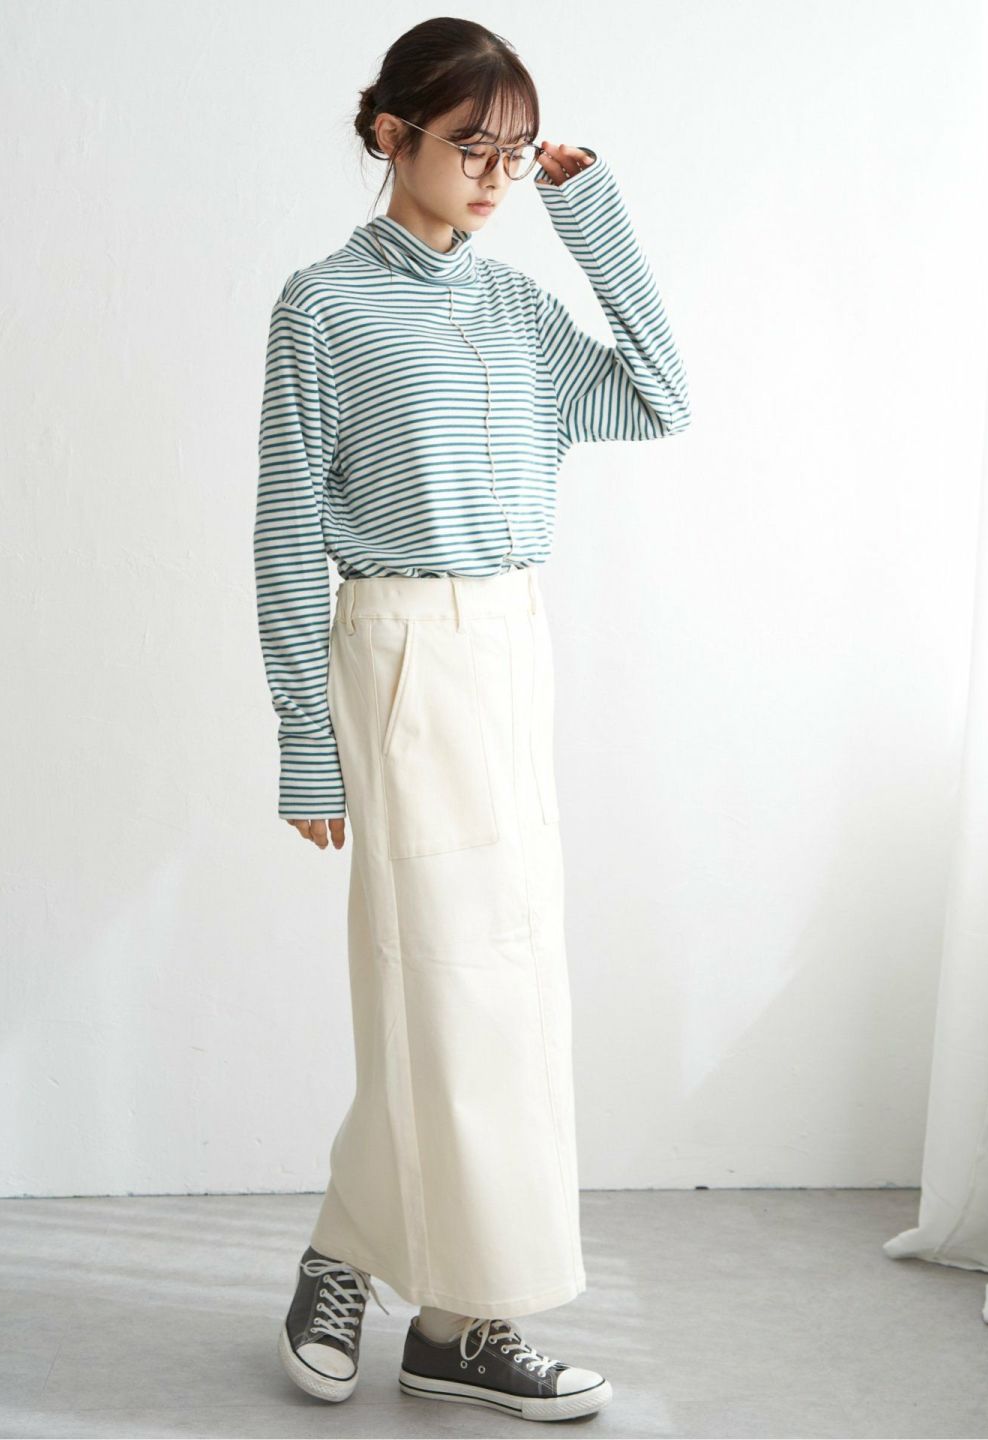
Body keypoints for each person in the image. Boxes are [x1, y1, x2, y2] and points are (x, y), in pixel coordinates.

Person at [254, 16, 690, 1424]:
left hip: (510, 652)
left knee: (506, 995)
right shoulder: (323, 309)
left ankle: (440, 1313)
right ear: (393, 136)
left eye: (517, 153)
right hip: (395, 655)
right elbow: (284, 533)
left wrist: (591, 213)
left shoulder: (519, 310)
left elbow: (660, 398)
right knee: (431, 991)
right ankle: (395, 1283)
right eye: (472, 149)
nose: (497, 177)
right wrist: (303, 738)